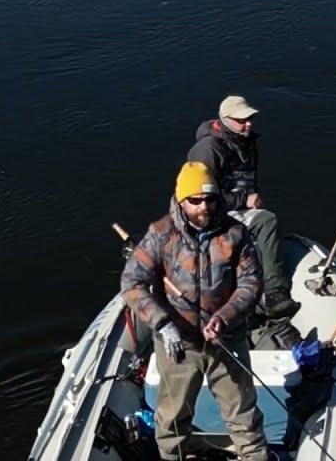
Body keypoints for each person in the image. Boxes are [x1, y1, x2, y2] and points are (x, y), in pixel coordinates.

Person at [120, 162, 268, 461]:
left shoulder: (235, 235)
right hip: (179, 346)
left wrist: (223, 317)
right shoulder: (160, 235)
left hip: (226, 341)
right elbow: (132, 284)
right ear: (181, 200)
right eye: (195, 200)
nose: (204, 207)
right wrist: (162, 324)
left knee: (244, 416)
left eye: (210, 199)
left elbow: (251, 284)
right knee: (172, 418)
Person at [188, 95, 300, 319]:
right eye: (241, 120)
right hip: (213, 215)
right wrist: (243, 201)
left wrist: (250, 199)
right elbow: (198, 198)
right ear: (225, 119)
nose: (248, 123)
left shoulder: (245, 142)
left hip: (235, 209)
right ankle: (276, 293)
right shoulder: (208, 150)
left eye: (250, 118)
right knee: (266, 221)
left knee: (259, 224)